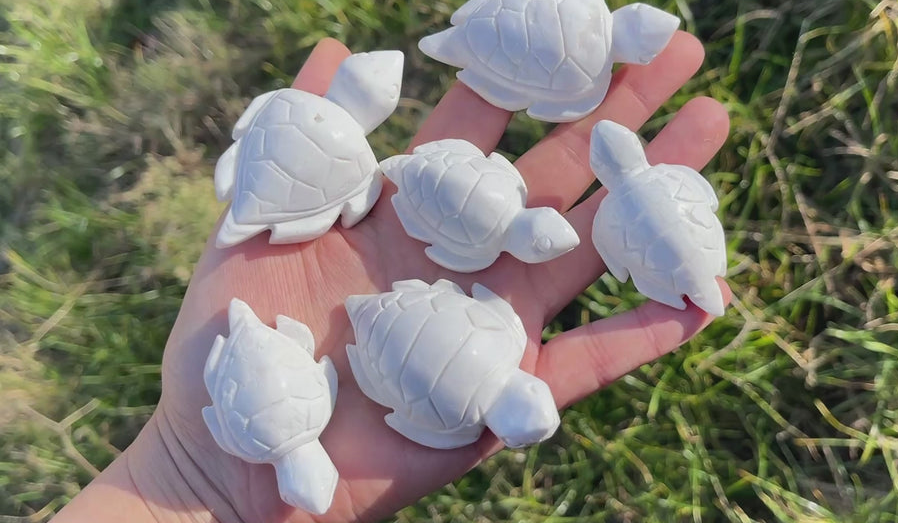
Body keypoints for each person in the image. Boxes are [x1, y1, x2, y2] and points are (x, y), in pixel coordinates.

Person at [53, 32, 731, 522]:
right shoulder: (465, 387)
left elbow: (466, 313)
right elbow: (436, 355)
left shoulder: (482, 354)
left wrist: (191, 480)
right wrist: (192, 480)